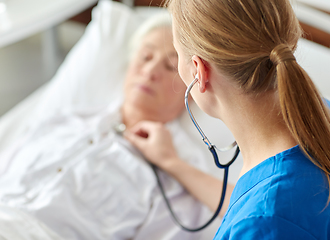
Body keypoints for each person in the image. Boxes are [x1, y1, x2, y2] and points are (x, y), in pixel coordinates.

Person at [125, 0, 330, 239]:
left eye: (174, 60)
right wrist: (173, 163)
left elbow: (264, 217)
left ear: (199, 71)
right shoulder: (323, 115)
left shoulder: (264, 221)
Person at [0, 13, 210, 240]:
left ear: (193, 87)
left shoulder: (178, 176)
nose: (150, 72)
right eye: (145, 56)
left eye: (170, 66)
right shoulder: (64, 120)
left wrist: (171, 163)